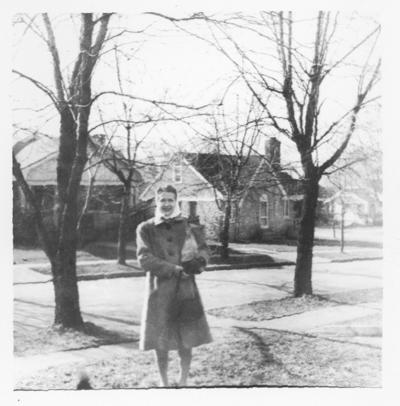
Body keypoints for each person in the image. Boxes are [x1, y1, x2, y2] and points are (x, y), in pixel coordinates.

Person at [136, 185, 212, 387]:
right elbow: (144, 259)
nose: (167, 204)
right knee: (160, 340)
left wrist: (200, 262)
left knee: (185, 337)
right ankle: (164, 382)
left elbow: (204, 249)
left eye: (170, 200)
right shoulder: (146, 228)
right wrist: (173, 268)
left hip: (185, 289)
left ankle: (183, 380)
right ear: (157, 202)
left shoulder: (188, 226)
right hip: (159, 291)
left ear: (176, 201)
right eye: (163, 200)